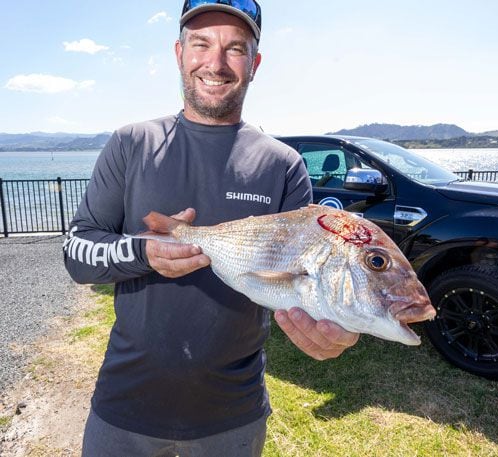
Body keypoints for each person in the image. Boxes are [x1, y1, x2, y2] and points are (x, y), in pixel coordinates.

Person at [63, 1, 359, 455]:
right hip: (125, 406)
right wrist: (143, 254)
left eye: (234, 48)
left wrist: (336, 323)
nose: (215, 63)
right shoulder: (131, 144)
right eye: (200, 44)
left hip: (233, 414)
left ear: (255, 64)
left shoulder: (282, 165)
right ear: (178, 52)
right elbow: (77, 251)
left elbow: (308, 278)